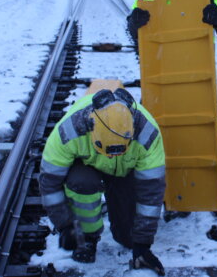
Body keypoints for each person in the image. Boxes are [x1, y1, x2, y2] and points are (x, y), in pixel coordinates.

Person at [38, 88, 166, 275]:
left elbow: (151, 193)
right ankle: (87, 238)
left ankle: (129, 236)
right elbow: (49, 183)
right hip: (88, 168)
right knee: (81, 182)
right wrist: (64, 225)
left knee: (128, 239)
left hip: (125, 171)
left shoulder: (148, 135)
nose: (112, 156)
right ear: (91, 130)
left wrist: (142, 244)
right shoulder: (69, 132)